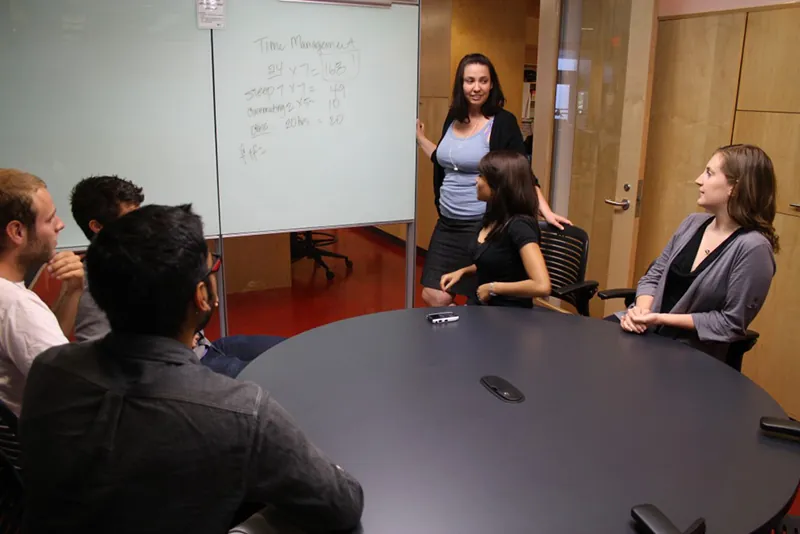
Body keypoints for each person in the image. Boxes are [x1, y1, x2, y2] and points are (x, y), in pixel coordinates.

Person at [20, 204, 364, 534]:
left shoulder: (50, 370)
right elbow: (342, 504)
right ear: (202, 296)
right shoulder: (241, 413)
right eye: (211, 270)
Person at [70, 175, 284, 378]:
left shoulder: (143, 258)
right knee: (285, 374)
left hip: (205, 347)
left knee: (291, 349)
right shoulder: (96, 284)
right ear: (97, 227)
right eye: (129, 218)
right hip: (185, 369)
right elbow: (104, 364)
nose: (140, 224)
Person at [416, 53, 569, 307]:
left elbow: (521, 171)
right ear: (460, 84)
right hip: (447, 223)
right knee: (434, 294)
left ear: (492, 84)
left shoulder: (502, 122)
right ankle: (462, 333)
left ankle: (470, 338)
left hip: (481, 224)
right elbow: (446, 159)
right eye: (470, 81)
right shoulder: (452, 118)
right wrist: (421, 139)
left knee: (476, 296)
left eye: (483, 81)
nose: (476, 88)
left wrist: (546, 211)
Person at [618, 144, 778, 362]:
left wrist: (659, 318)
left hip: (690, 356)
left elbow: (729, 323)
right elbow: (654, 275)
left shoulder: (753, 248)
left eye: (710, 173)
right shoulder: (693, 223)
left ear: (735, 188)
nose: (699, 179)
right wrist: (640, 313)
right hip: (648, 332)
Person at [0, 169, 84, 415]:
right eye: (50, 219)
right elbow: (74, 391)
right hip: (42, 447)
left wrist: (72, 292)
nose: (60, 225)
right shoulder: (16, 306)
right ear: (17, 232)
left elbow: (40, 350)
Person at [440, 151, 551, 307]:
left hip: (508, 314)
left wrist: (493, 288)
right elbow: (498, 261)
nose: (476, 181)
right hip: (484, 307)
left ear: (497, 185)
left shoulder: (519, 226)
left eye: (481, 176)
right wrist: (463, 271)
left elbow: (542, 285)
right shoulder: (492, 218)